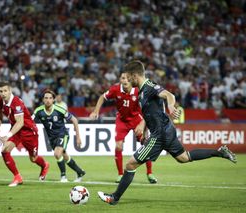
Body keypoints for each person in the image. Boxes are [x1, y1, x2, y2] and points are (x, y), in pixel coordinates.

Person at [98, 60, 237, 205]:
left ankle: (114, 198)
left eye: (128, 77)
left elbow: (169, 95)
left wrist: (170, 106)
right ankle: (220, 152)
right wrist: (145, 129)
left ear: (134, 76)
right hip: (165, 130)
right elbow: (149, 113)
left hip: (160, 134)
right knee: (183, 157)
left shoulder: (150, 87)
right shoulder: (141, 92)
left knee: (130, 165)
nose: (126, 80)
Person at [90, 71, 157, 184]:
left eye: (127, 78)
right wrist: (96, 111)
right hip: (122, 120)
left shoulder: (138, 90)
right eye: (122, 78)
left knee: (145, 143)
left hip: (137, 119)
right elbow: (102, 97)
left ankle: (149, 173)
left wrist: (144, 124)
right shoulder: (115, 89)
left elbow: (147, 105)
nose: (124, 80)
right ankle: (120, 174)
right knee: (118, 146)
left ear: (131, 80)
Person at [0, 81, 49, 187]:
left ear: (10, 91)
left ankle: (45, 165)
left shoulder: (16, 103)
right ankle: (17, 177)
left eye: (5, 91)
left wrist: (7, 135)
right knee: (5, 150)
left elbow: (20, 122)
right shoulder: (0, 101)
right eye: (1, 91)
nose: (3, 93)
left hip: (28, 131)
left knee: (33, 158)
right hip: (16, 130)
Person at [33, 89, 85, 182]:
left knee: (57, 154)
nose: (48, 100)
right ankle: (80, 172)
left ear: (53, 100)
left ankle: (63, 176)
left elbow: (74, 120)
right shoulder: (38, 111)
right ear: (43, 100)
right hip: (51, 138)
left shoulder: (59, 109)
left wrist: (78, 137)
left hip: (62, 134)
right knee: (64, 155)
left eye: (50, 98)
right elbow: (29, 121)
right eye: (46, 98)